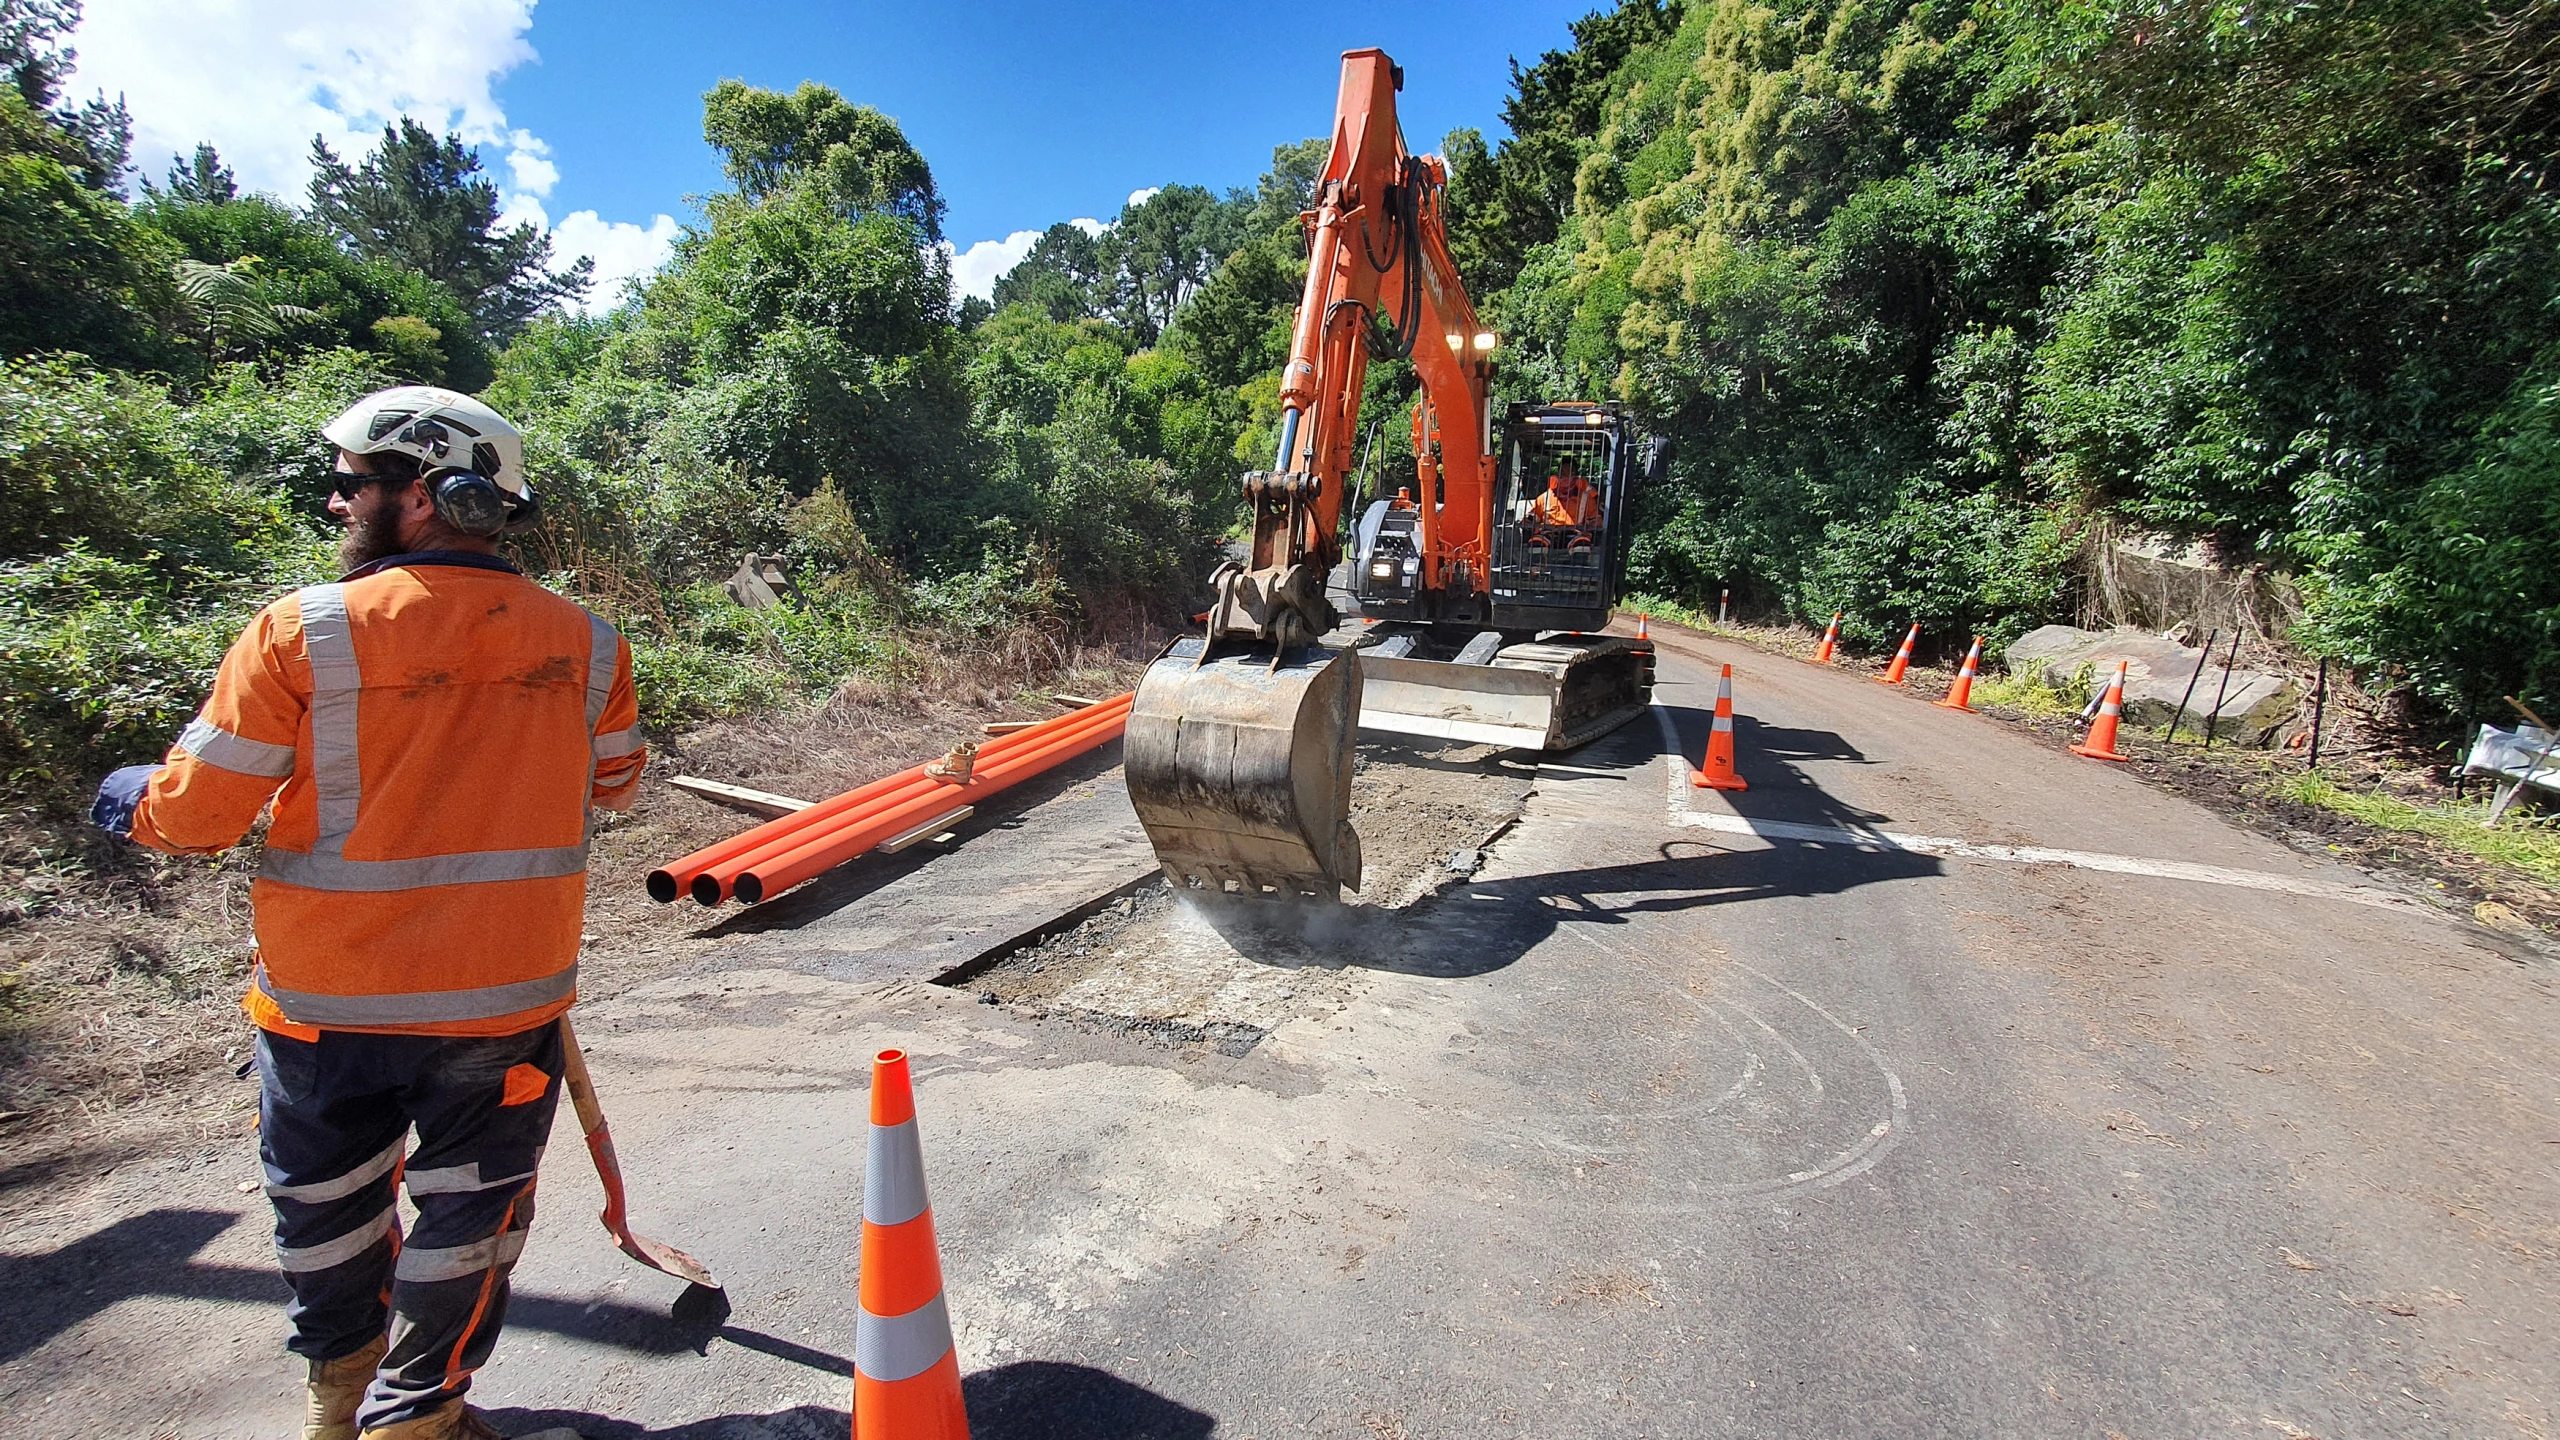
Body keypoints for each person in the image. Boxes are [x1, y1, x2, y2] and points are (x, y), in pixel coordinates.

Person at [91, 387, 645, 1440]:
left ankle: (338, 1401)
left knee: (325, 1213)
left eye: (351, 484)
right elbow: (616, 783)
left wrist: (127, 797)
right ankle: (419, 1416)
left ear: (438, 496)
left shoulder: (301, 633)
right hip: (500, 999)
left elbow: (197, 818)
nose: (338, 504)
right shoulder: (590, 643)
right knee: (473, 1215)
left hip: (327, 1007)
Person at [1527, 455, 1600, 547]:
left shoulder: (1586, 498)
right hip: (1549, 534)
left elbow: (1595, 519)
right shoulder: (1544, 497)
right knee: (1536, 544)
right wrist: (1527, 522)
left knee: (1582, 545)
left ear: (1576, 476)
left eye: (1570, 472)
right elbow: (1531, 517)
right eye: (1562, 472)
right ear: (1557, 474)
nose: (1565, 475)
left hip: (1575, 534)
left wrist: (1592, 527)